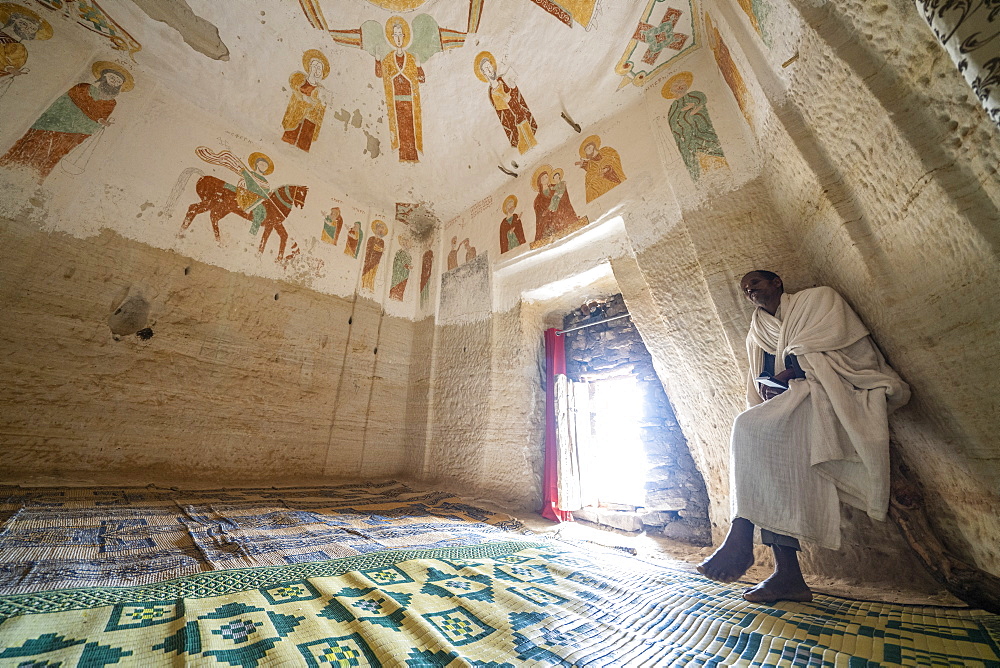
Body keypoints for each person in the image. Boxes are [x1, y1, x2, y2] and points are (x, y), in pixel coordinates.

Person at [698, 270, 910, 603]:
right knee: (765, 452)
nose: (749, 291)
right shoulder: (759, 328)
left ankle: (743, 538)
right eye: (744, 289)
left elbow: (847, 350)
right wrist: (769, 385)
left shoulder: (818, 299)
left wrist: (790, 371)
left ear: (777, 282)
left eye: (755, 283)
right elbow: (760, 375)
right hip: (793, 400)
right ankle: (786, 573)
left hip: (831, 391)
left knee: (750, 429)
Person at [1, 61, 132, 178]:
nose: (114, 82)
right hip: (54, 123)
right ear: (103, 77)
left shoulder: (112, 103)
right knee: (35, 143)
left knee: (55, 154)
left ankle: (36, 177)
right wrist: (97, 118)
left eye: (117, 81)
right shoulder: (83, 87)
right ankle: (11, 165)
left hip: (76, 133)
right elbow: (79, 101)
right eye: (112, 78)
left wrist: (100, 121)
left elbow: (99, 116)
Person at [475, 50, 537, 154]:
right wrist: (509, 99)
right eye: (486, 69)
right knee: (523, 144)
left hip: (522, 116)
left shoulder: (503, 79)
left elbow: (515, 96)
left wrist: (513, 88)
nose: (489, 69)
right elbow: (502, 110)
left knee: (531, 139)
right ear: (483, 73)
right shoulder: (491, 92)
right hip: (514, 123)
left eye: (489, 66)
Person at [281, 49, 330, 152]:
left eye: (319, 68)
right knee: (287, 142)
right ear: (309, 67)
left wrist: (319, 104)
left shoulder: (321, 90)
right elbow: (297, 90)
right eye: (314, 66)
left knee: (302, 149)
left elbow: (320, 111)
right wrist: (308, 99)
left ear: (322, 73)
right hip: (295, 117)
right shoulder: (300, 79)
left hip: (309, 123)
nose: (316, 70)